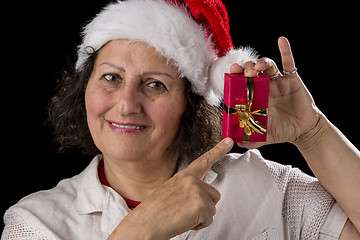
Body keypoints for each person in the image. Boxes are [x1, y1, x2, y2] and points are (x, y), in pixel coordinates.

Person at [2, 0, 360, 239]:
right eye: (111, 78)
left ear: (190, 104)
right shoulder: (34, 223)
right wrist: (141, 230)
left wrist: (312, 132)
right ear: (84, 89)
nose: (126, 104)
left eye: (155, 84)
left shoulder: (265, 185)